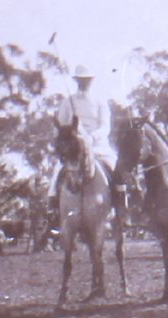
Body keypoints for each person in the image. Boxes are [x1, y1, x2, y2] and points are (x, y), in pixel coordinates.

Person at [47, 65, 120, 215]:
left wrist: (92, 137)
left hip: (98, 146)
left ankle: (119, 209)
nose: (84, 83)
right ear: (77, 81)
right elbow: (61, 126)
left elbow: (105, 127)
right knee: (57, 172)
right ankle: (53, 208)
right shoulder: (68, 102)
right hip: (74, 148)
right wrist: (69, 136)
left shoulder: (100, 101)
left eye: (87, 80)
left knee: (116, 169)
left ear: (92, 81)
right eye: (81, 80)